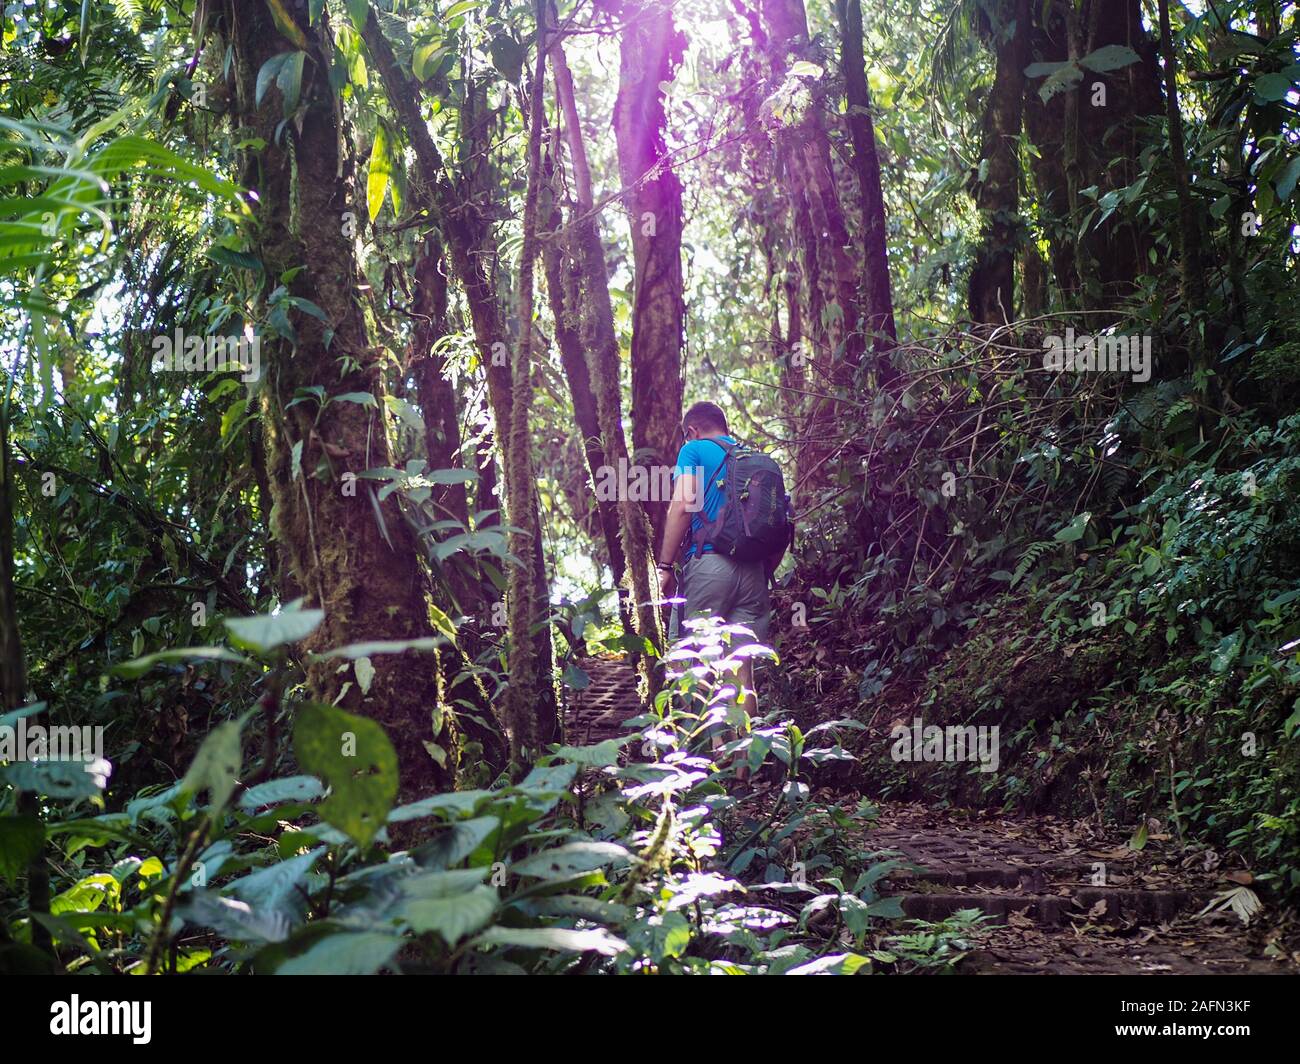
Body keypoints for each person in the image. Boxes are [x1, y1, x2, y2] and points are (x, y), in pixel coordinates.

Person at [657, 401, 778, 780]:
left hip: (709, 565)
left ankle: (708, 770)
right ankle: (744, 775)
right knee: (743, 673)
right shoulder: (757, 462)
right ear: (725, 427)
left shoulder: (693, 450)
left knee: (699, 665)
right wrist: (762, 570)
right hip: (754, 571)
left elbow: (681, 506)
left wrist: (663, 566)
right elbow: (780, 528)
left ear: (692, 430)